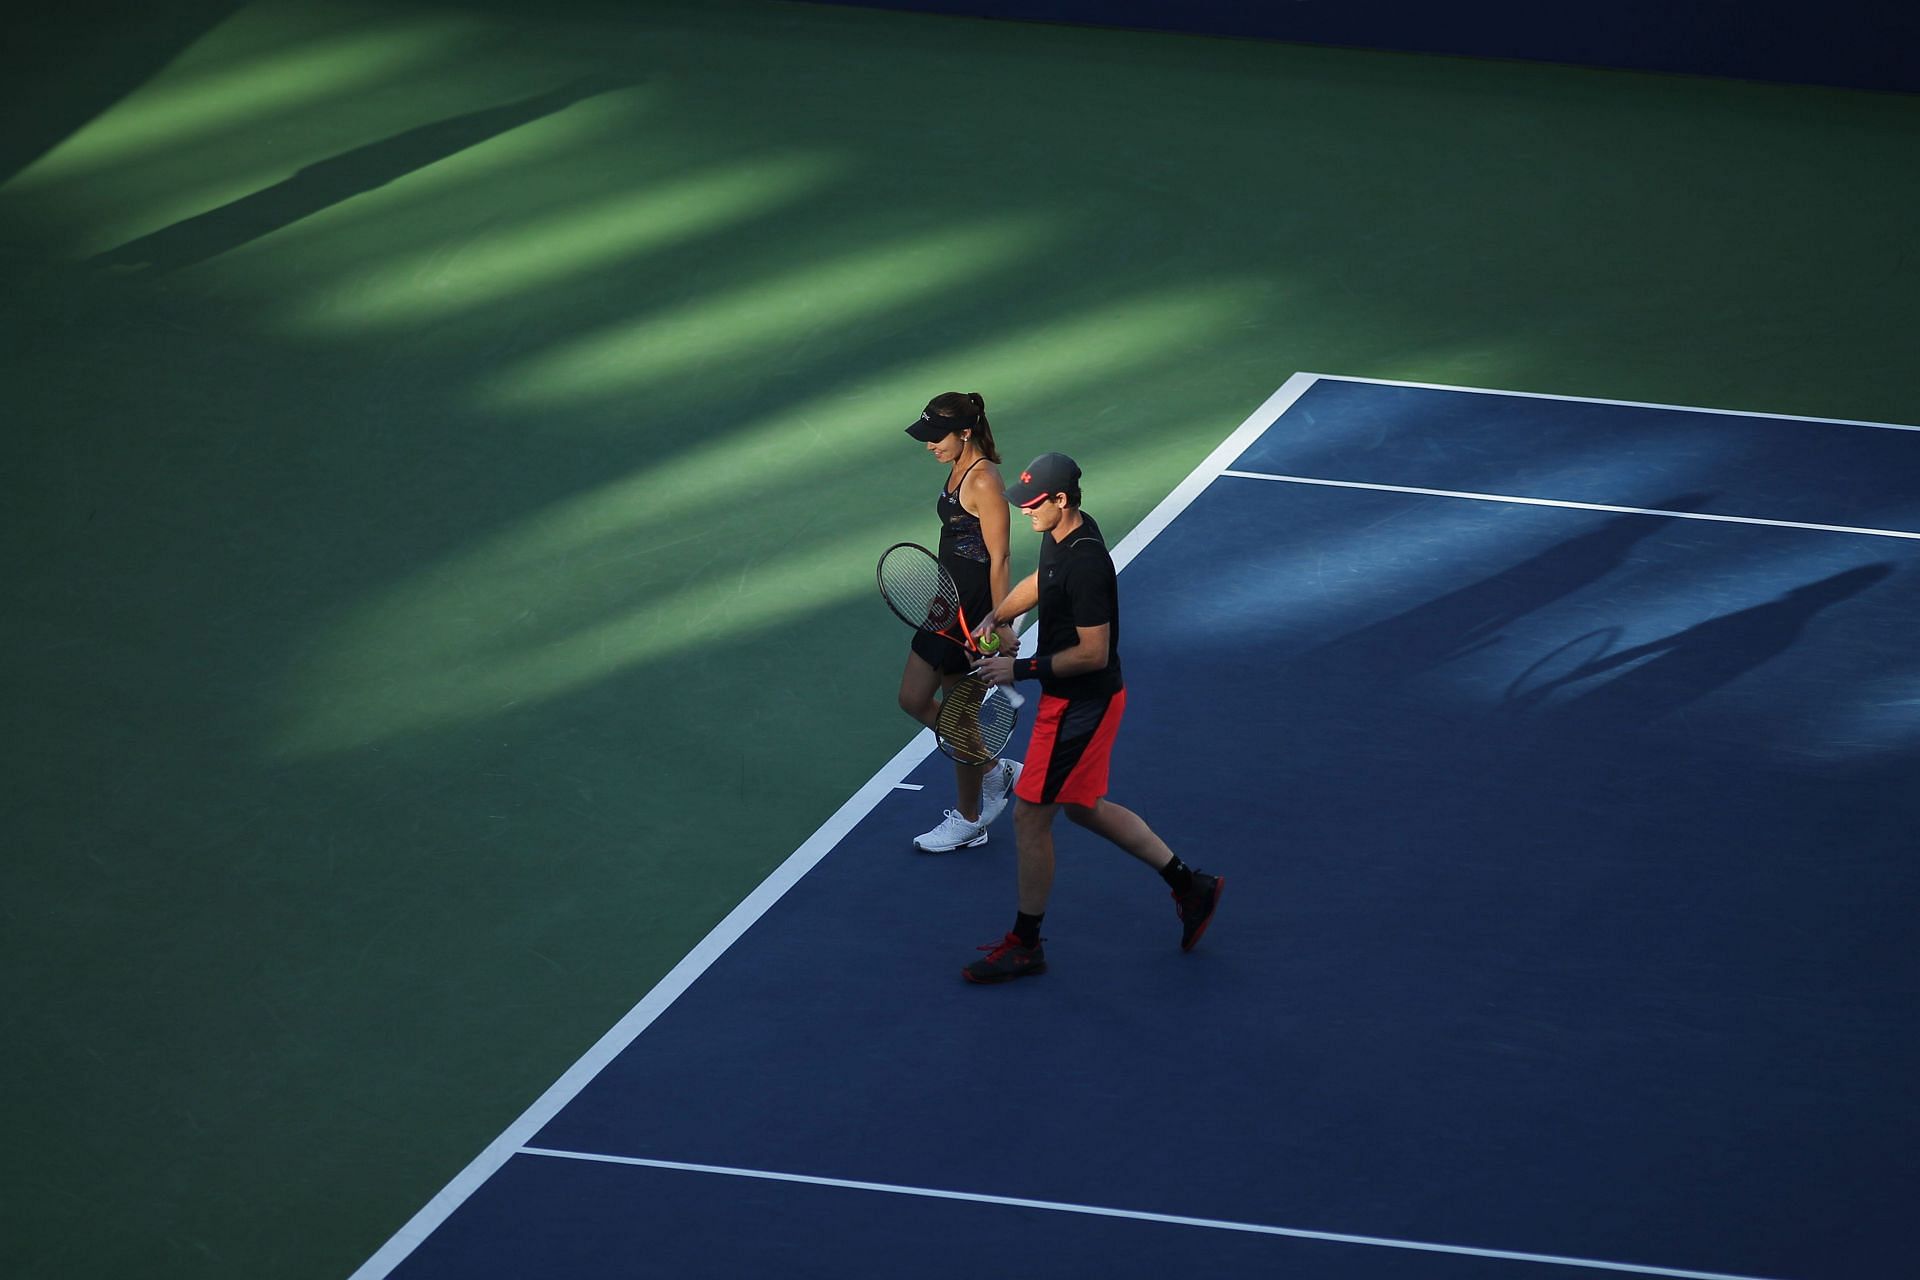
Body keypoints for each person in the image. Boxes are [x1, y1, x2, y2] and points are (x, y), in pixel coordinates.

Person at [964, 452, 1222, 982]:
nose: (1026, 512)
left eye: (1034, 505)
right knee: (1083, 807)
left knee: (1030, 817)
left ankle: (1025, 944)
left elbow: (1093, 652)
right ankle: (1189, 885)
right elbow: (1043, 579)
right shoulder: (1061, 533)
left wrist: (1019, 667)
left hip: (1081, 705)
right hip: (1076, 701)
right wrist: (1001, 613)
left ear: (1062, 501)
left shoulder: (1088, 564)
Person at [898, 393, 1023, 852]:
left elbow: (1000, 556)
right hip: (945, 604)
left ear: (965, 432)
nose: (930, 445)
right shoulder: (956, 468)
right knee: (913, 698)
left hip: (973, 612)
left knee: (959, 715)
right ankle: (994, 770)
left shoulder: (985, 480)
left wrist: (1001, 621)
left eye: (936, 437)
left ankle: (971, 820)